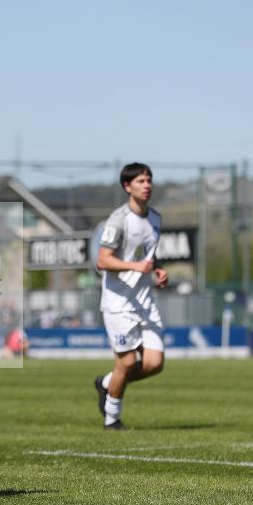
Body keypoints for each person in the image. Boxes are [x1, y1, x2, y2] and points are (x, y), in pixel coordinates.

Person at [93, 163, 168, 430]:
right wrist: (136, 267)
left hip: (145, 302)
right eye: (140, 181)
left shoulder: (156, 218)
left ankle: (106, 383)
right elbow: (103, 260)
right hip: (118, 304)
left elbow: (146, 254)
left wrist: (157, 269)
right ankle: (112, 418)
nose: (146, 185)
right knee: (126, 362)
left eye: (149, 180)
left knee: (154, 363)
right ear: (127, 187)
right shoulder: (118, 220)